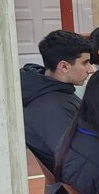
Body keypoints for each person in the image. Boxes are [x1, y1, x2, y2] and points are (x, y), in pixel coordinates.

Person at [20, 30, 92, 169]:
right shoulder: (50, 107)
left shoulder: (52, 91)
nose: (90, 69)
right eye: (85, 63)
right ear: (64, 66)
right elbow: (74, 161)